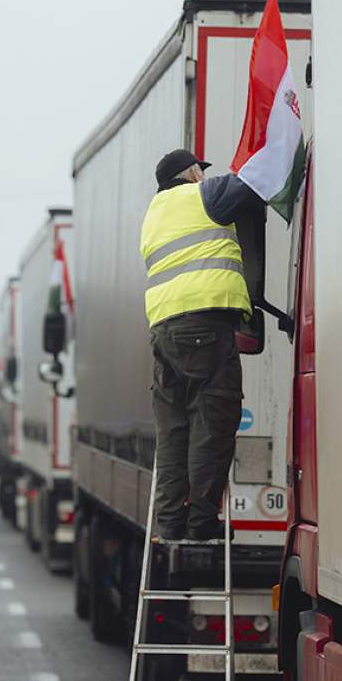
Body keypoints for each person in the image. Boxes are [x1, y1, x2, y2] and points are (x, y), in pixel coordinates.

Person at [139, 149, 265, 541]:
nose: (202, 175)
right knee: (213, 424)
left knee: (174, 432)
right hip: (205, 328)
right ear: (190, 172)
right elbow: (254, 184)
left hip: (164, 331)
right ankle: (201, 526)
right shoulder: (202, 196)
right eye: (199, 170)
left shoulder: (153, 215)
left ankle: (171, 524)